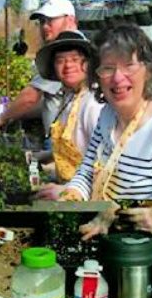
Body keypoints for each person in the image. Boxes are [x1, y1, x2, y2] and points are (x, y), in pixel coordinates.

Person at [61, 23, 152, 203]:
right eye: (108, 68)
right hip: (101, 226)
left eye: (129, 65)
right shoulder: (107, 115)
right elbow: (86, 173)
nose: (118, 78)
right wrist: (70, 195)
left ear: (148, 71)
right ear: (97, 76)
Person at [0, 0, 78, 134]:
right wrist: (16, 112)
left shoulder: (68, 50)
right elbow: (51, 100)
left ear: (70, 20)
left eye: (51, 20)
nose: (45, 26)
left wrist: (2, 119)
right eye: (42, 21)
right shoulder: (63, 49)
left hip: (68, 143)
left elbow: (30, 97)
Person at [34, 31, 104, 200]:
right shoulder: (69, 98)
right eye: (60, 60)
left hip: (86, 199)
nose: (68, 66)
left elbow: (105, 166)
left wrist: (67, 190)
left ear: (88, 64)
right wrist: (43, 156)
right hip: (66, 191)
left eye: (75, 59)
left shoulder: (93, 105)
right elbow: (77, 147)